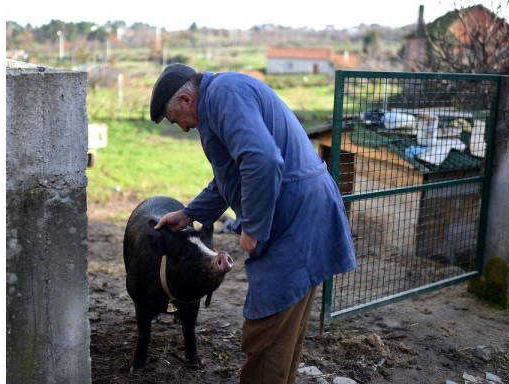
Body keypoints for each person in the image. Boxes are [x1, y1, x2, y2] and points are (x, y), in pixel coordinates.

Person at [150, 63, 356, 384]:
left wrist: (253, 229)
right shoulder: (219, 98)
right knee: (287, 330)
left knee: (269, 330)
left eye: (178, 120)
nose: (183, 129)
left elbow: (262, 159)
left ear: (188, 100)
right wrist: (189, 214)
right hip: (306, 210)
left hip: (291, 217)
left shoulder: (223, 95)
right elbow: (228, 176)